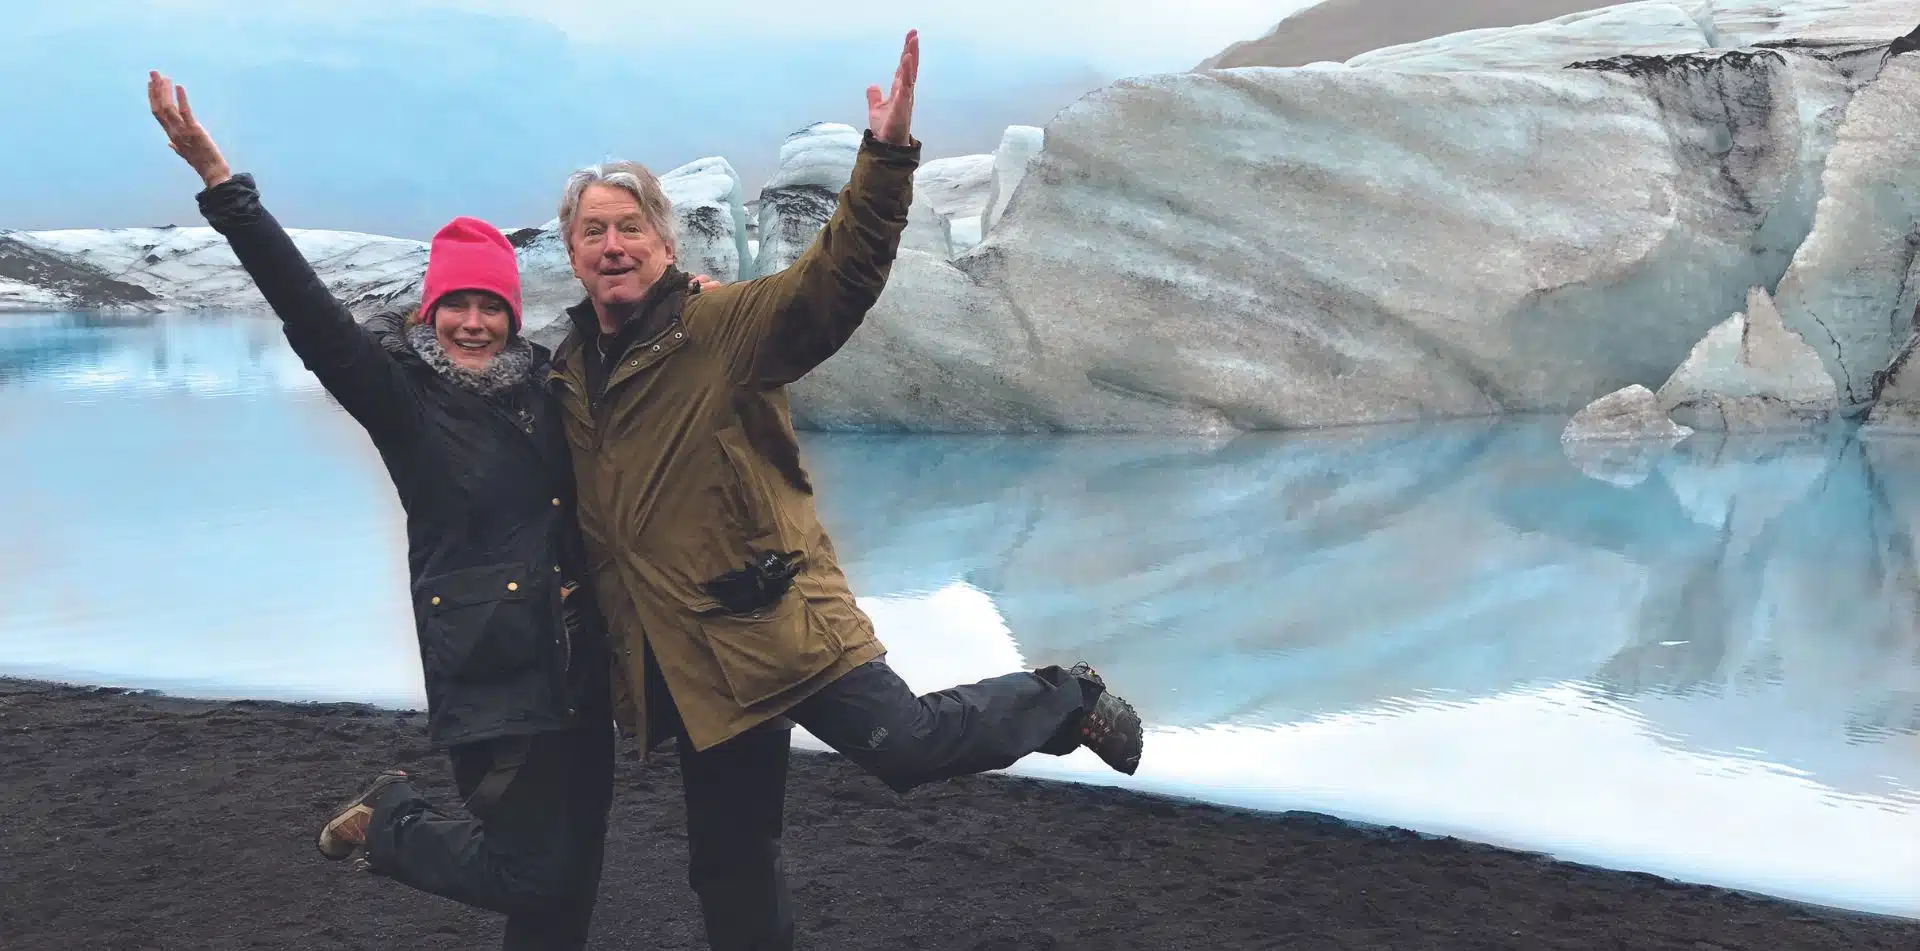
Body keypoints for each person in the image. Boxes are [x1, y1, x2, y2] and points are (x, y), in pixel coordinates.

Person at [542, 30, 1146, 950]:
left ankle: (1065, 696)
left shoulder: (720, 325)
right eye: (596, 231)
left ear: (665, 241)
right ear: (573, 250)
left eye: (631, 227)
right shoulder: (570, 372)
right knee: (730, 860)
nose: (614, 245)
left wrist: (888, 158)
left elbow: (833, 284)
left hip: (779, 616)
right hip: (693, 657)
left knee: (903, 744)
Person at [146, 70, 704, 951]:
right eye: (458, 306)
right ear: (429, 309)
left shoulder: (547, 387)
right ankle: (391, 821)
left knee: (569, 888)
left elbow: (632, 338)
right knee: (533, 871)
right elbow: (309, 312)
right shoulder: (400, 398)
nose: (475, 323)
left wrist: (689, 292)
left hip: (577, 667)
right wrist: (225, 188)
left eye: (491, 305)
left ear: (513, 314)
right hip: (489, 670)